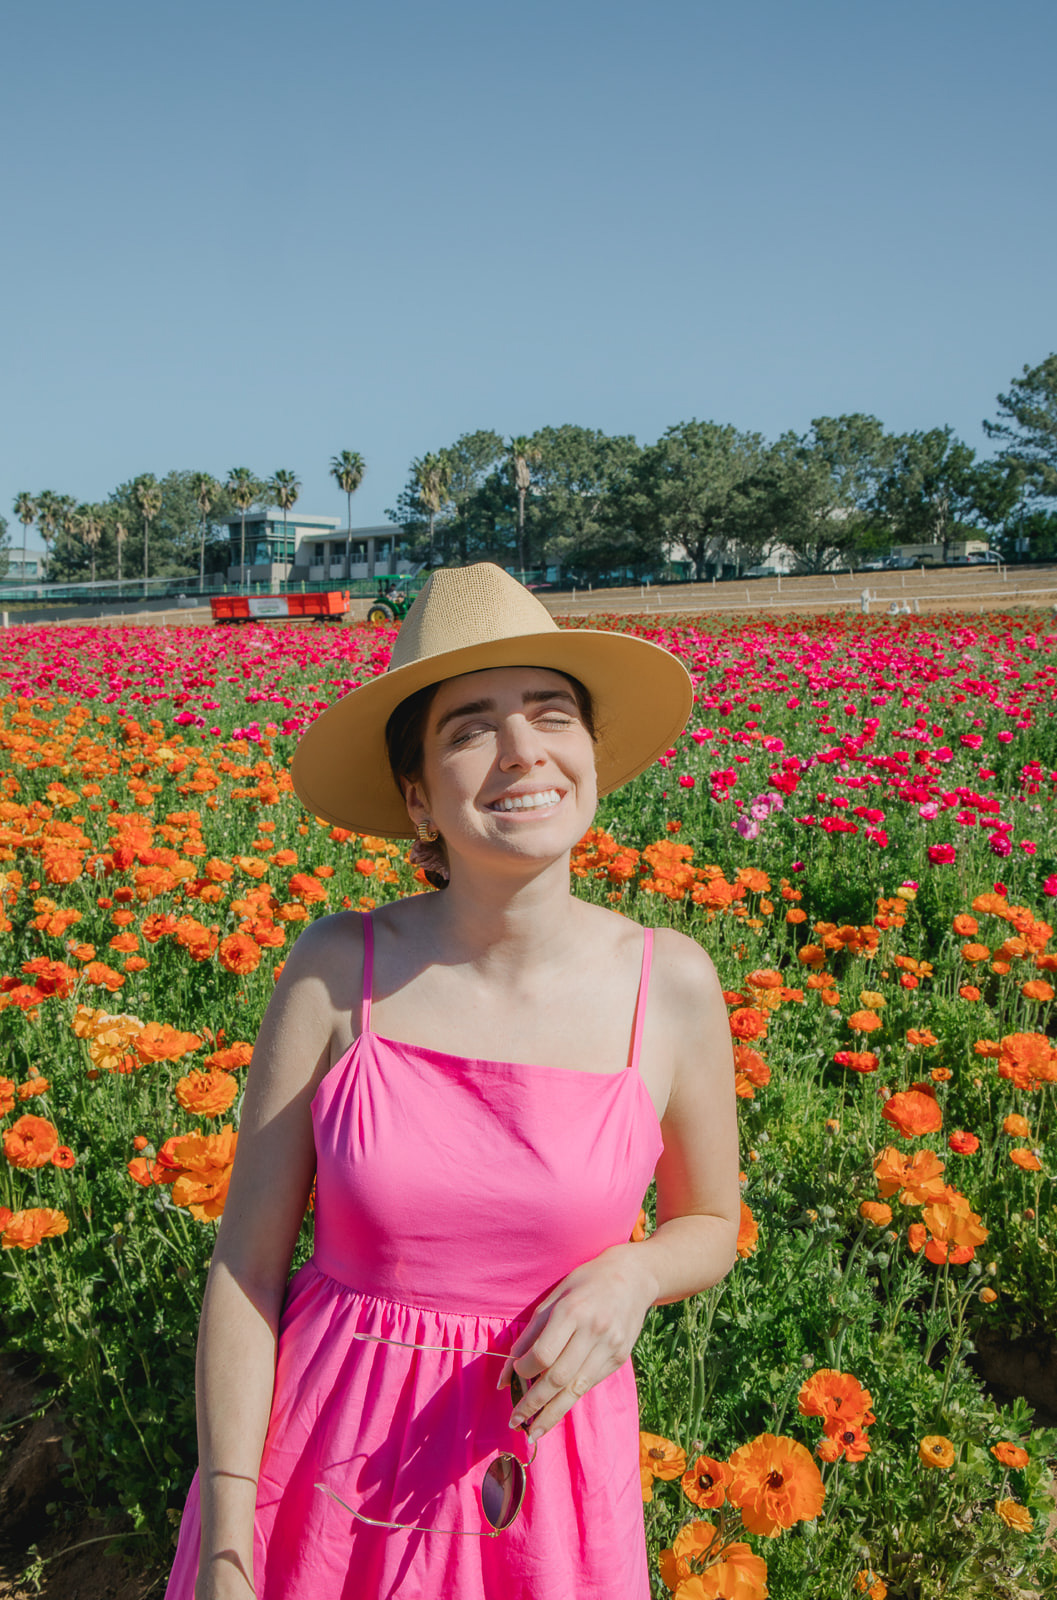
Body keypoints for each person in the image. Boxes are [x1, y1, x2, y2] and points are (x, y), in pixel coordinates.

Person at [166, 563, 740, 1600]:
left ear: (588, 757)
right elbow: (246, 1270)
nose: (523, 748)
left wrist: (634, 1275)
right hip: (321, 1480)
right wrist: (227, 1536)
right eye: (471, 725)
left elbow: (710, 1222)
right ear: (418, 797)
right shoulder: (339, 970)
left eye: (551, 713)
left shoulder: (672, 981)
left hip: (544, 1480)